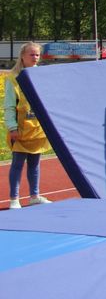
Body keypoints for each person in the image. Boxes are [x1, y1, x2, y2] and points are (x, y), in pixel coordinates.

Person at [4, 42, 52, 209]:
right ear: (23, 57)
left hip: (37, 128)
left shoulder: (41, 76)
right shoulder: (13, 78)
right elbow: (9, 105)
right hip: (20, 128)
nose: (35, 57)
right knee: (17, 164)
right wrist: (12, 127)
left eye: (37, 55)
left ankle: (34, 196)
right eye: (31, 54)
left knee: (35, 163)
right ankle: (14, 199)